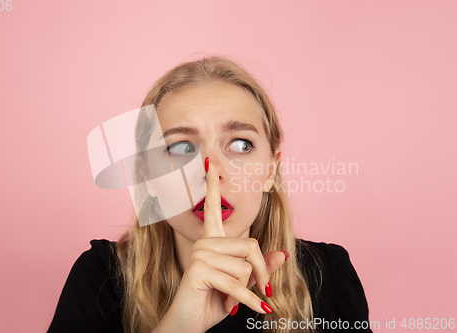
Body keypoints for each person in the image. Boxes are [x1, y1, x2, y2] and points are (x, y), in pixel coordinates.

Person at [47, 56, 372, 333]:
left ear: (270, 170)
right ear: (148, 176)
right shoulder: (100, 276)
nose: (210, 172)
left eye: (240, 145)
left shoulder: (329, 274)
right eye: (181, 147)